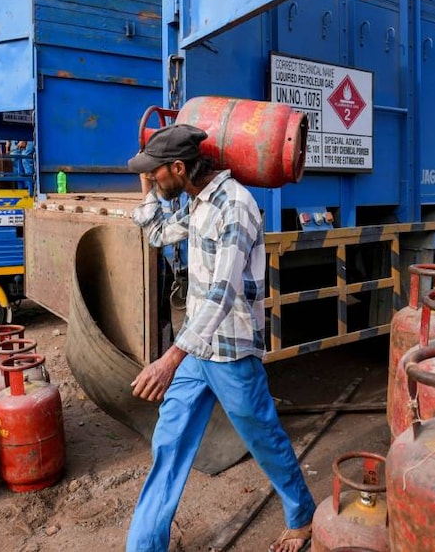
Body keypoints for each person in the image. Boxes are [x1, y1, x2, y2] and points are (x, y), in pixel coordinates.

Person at [126, 124, 315, 552]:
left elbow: (223, 294)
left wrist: (170, 358)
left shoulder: (236, 207)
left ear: (179, 167)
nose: (155, 179)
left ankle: (302, 516)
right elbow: (158, 233)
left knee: (263, 438)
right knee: (168, 443)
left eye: (157, 173)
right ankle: (144, 546)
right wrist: (148, 187)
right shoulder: (194, 203)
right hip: (197, 352)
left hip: (230, 352)